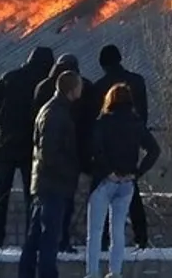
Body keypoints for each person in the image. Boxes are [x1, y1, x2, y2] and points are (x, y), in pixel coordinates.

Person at [84, 83, 161, 278]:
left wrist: (108, 171)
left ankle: (92, 272)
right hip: (127, 182)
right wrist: (137, 172)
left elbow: (96, 149)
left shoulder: (103, 121)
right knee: (118, 230)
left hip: (105, 180)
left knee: (95, 230)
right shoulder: (136, 122)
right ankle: (115, 272)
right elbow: (154, 150)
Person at [0, 45, 55, 246]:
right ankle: (31, 239)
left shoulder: (9, 77)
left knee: (1, 195)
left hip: (5, 145)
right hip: (29, 149)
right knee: (31, 196)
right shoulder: (44, 85)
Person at [18, 69, 83, 278]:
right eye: (79, 86)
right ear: (71, 89)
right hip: (52, 185)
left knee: (35, 236)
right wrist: (69, 172)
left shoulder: (54, 110)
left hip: (45, 183)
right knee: (49, 238)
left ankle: (26, 273)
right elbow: (50, 153)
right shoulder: (56, 114)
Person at [88, 44, 152, 247]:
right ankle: (141, 239)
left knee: (101, 197)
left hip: (107, 153)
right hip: (131, 148)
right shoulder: (137, 82)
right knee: (133, 196)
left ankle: (103, 242)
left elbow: (93, 123)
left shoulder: (99, 86)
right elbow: (145, 115)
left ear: (103, 64)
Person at [34, 53, 94, 251]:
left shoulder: (43, 89)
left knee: (40, 221)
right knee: (59, 211)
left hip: (44, 167)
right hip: (62, 165)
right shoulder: (59, 108)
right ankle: (61, 243)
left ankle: (49, 249)